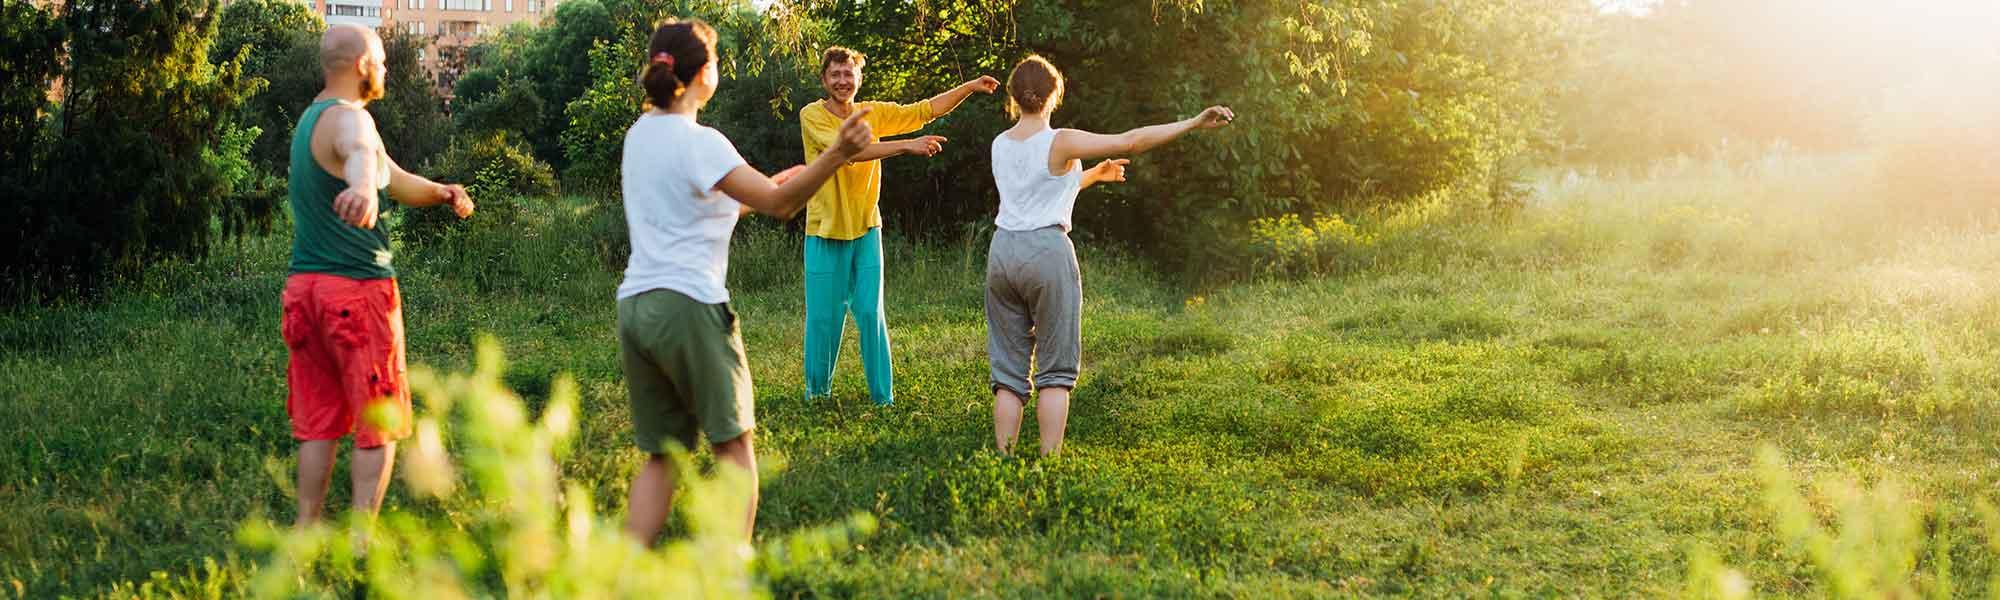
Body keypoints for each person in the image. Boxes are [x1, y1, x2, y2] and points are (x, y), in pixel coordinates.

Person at [618, 19, 875, 545]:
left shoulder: (639, 135)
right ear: (704, 74)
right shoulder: (703, 141)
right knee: (734, 448)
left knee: (662, 456)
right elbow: (782, 205)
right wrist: (837, 153)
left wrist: (760, 189)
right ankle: (731, 574)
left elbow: (697, 206)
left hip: (637, 305)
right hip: (691, 305)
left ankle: (617, 575)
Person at [984, 55, 1233, 455]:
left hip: (1003, 252)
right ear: (1054, 96)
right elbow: (1130, 141)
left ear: (1013, 97)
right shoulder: (1059, 140)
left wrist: (1091, 176)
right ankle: (1048, 463)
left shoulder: (1001, 144)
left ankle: (1002, 461)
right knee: (1055, 372)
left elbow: (1034, 191)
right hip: (1046, 252)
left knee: (1009, 372)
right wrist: (1192, 122)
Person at [281, 24, 476, 527]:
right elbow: (363, 159)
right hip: (357, 292)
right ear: (362, 64)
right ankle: (362, 542)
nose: (385, 69)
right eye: (382, 60)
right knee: (378, 420)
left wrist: (443, 191)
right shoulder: (351, 122)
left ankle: (307, 529)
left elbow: (396, 178)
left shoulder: (313, 119)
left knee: (319, 422)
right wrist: (365, 188)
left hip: (306, 292)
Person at [799, 47, 1001, 406]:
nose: (843, 81)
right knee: (824, 320)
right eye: (836, 75)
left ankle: (883, 399)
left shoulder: (874, 113)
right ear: (824, 79)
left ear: (859, 79)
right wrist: (907, 146)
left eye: (849, 74)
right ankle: (817, 396)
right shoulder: (812, 114)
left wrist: (968, 87)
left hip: (866, 230)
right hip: (824, 231)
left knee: (869, 312)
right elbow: (846, 152)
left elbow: (925, 110)